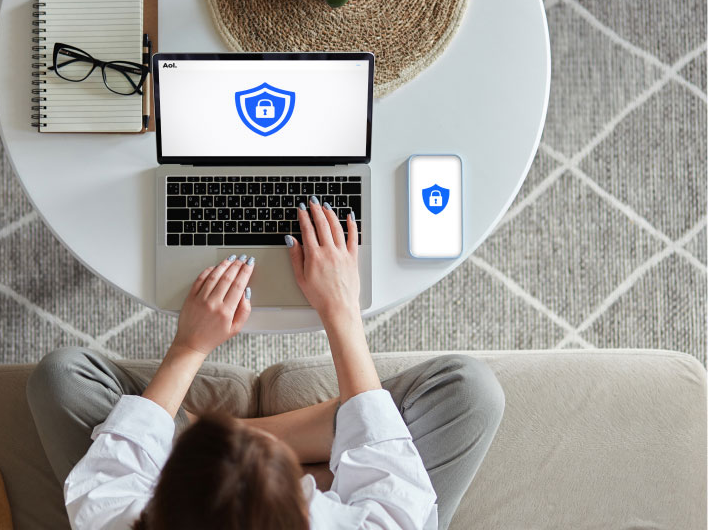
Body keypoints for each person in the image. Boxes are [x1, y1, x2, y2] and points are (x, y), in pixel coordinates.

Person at [27, 197, 505, 530]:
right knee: (470, 393)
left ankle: (195, 435)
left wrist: (190, 347)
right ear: (308, 506)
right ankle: (282, 446)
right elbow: (389, 468)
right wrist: (340, 308)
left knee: (60, 379)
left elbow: (109, 469)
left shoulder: (113, 517)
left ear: (156, 500)